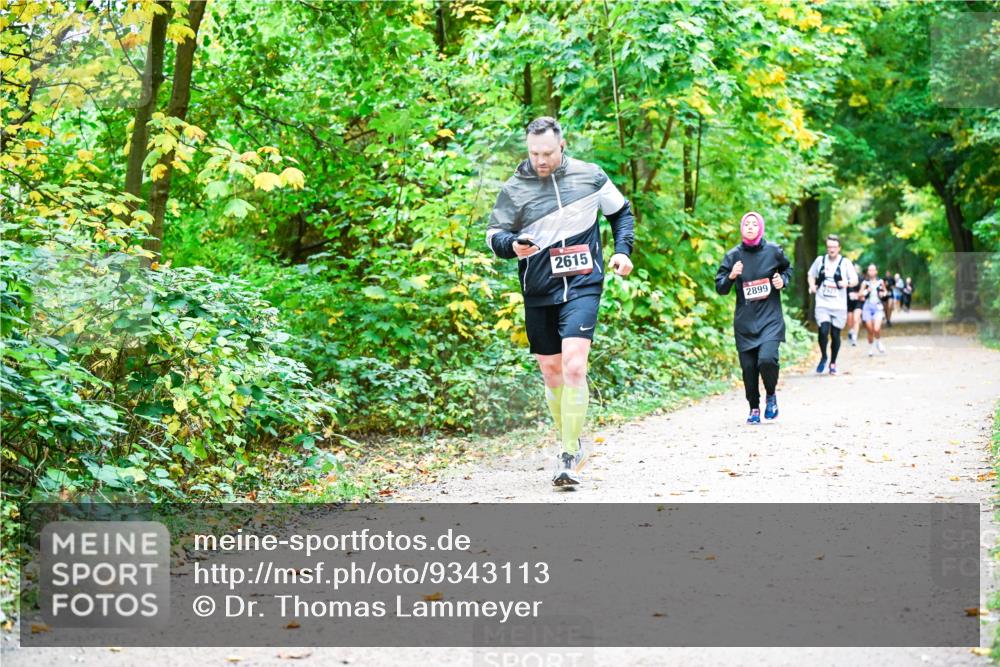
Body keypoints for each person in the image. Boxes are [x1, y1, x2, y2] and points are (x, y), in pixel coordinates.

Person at [486, 117, 635, 487]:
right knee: (551, 371)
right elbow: (493, 235)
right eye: (534, 153)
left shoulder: (590, 176)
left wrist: (623, 251)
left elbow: (621, 212)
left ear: (562, 145)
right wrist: (511, 246)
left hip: (584, 283)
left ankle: (568, 454)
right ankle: (570, 438)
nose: (540, 160)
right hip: (538, 289)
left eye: (547, 153)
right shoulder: (515, 188)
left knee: (573, 367)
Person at [715, 211, 793, 424]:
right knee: (749, 368)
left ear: (760, 228)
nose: (750, 227)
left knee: (767, 359)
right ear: (742, 228)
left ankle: (771, 395)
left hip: (770, 319)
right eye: (746, 224)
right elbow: (720, 288)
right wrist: (731, 275)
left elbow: (788, 269)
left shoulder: (773, 251)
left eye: (754, 224)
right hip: (745, 322)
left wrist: (782, 281)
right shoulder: (733, 256)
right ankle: (754, 408)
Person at [807, 234, 858, 375]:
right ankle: (824, 355)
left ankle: (833, 362)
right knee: (823, 331)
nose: (831, 250)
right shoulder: (820, 260)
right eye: (829, 247)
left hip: (839, 306)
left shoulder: (845, 263)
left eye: (834, 247)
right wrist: (812, 286)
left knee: (835, 335)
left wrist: (846, 283)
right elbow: (811, 274)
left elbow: (855, 280)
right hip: (822, 303)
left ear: (839, 248)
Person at [859, 264, 887, 356]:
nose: (871, 272)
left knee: (876, 328)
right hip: (867, 307)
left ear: (876, 271)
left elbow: (885, 291)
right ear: (868, 272)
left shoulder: (880, 281)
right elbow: (860, 294)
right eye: (870, 270)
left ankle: (878, 342)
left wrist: (883, 294)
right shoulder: (865, 283)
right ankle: (870, 348)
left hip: (878, 307)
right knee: (870, 330)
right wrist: (866, 291)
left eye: (873, 270)